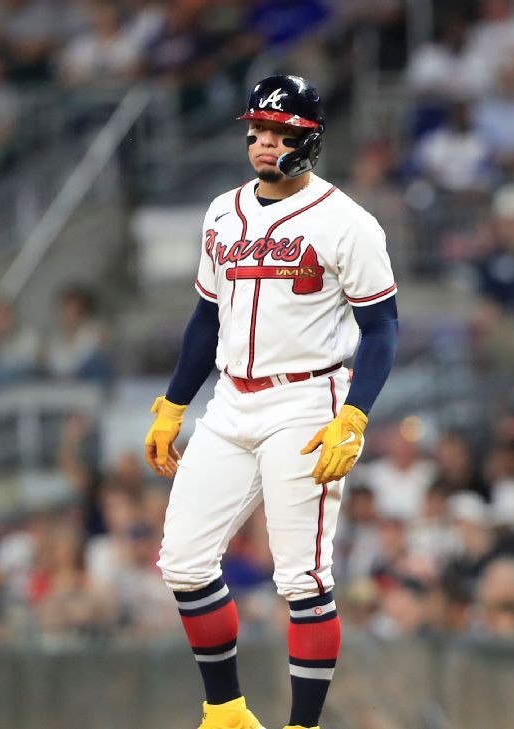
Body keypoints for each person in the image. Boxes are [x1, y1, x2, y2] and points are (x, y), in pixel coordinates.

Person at [142, 75, 399, 729]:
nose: (262, 143)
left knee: (302, 580)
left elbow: (384, 327)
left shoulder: (347, 222)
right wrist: (174, 402)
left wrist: (356, 411)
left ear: (308, 139)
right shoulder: (223, 211)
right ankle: (226, 710)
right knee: (183, 560)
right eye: (255, 130)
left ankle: (302, 726)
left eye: (278, 132)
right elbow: (205, 318)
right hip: (231, 399)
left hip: (308, 399)